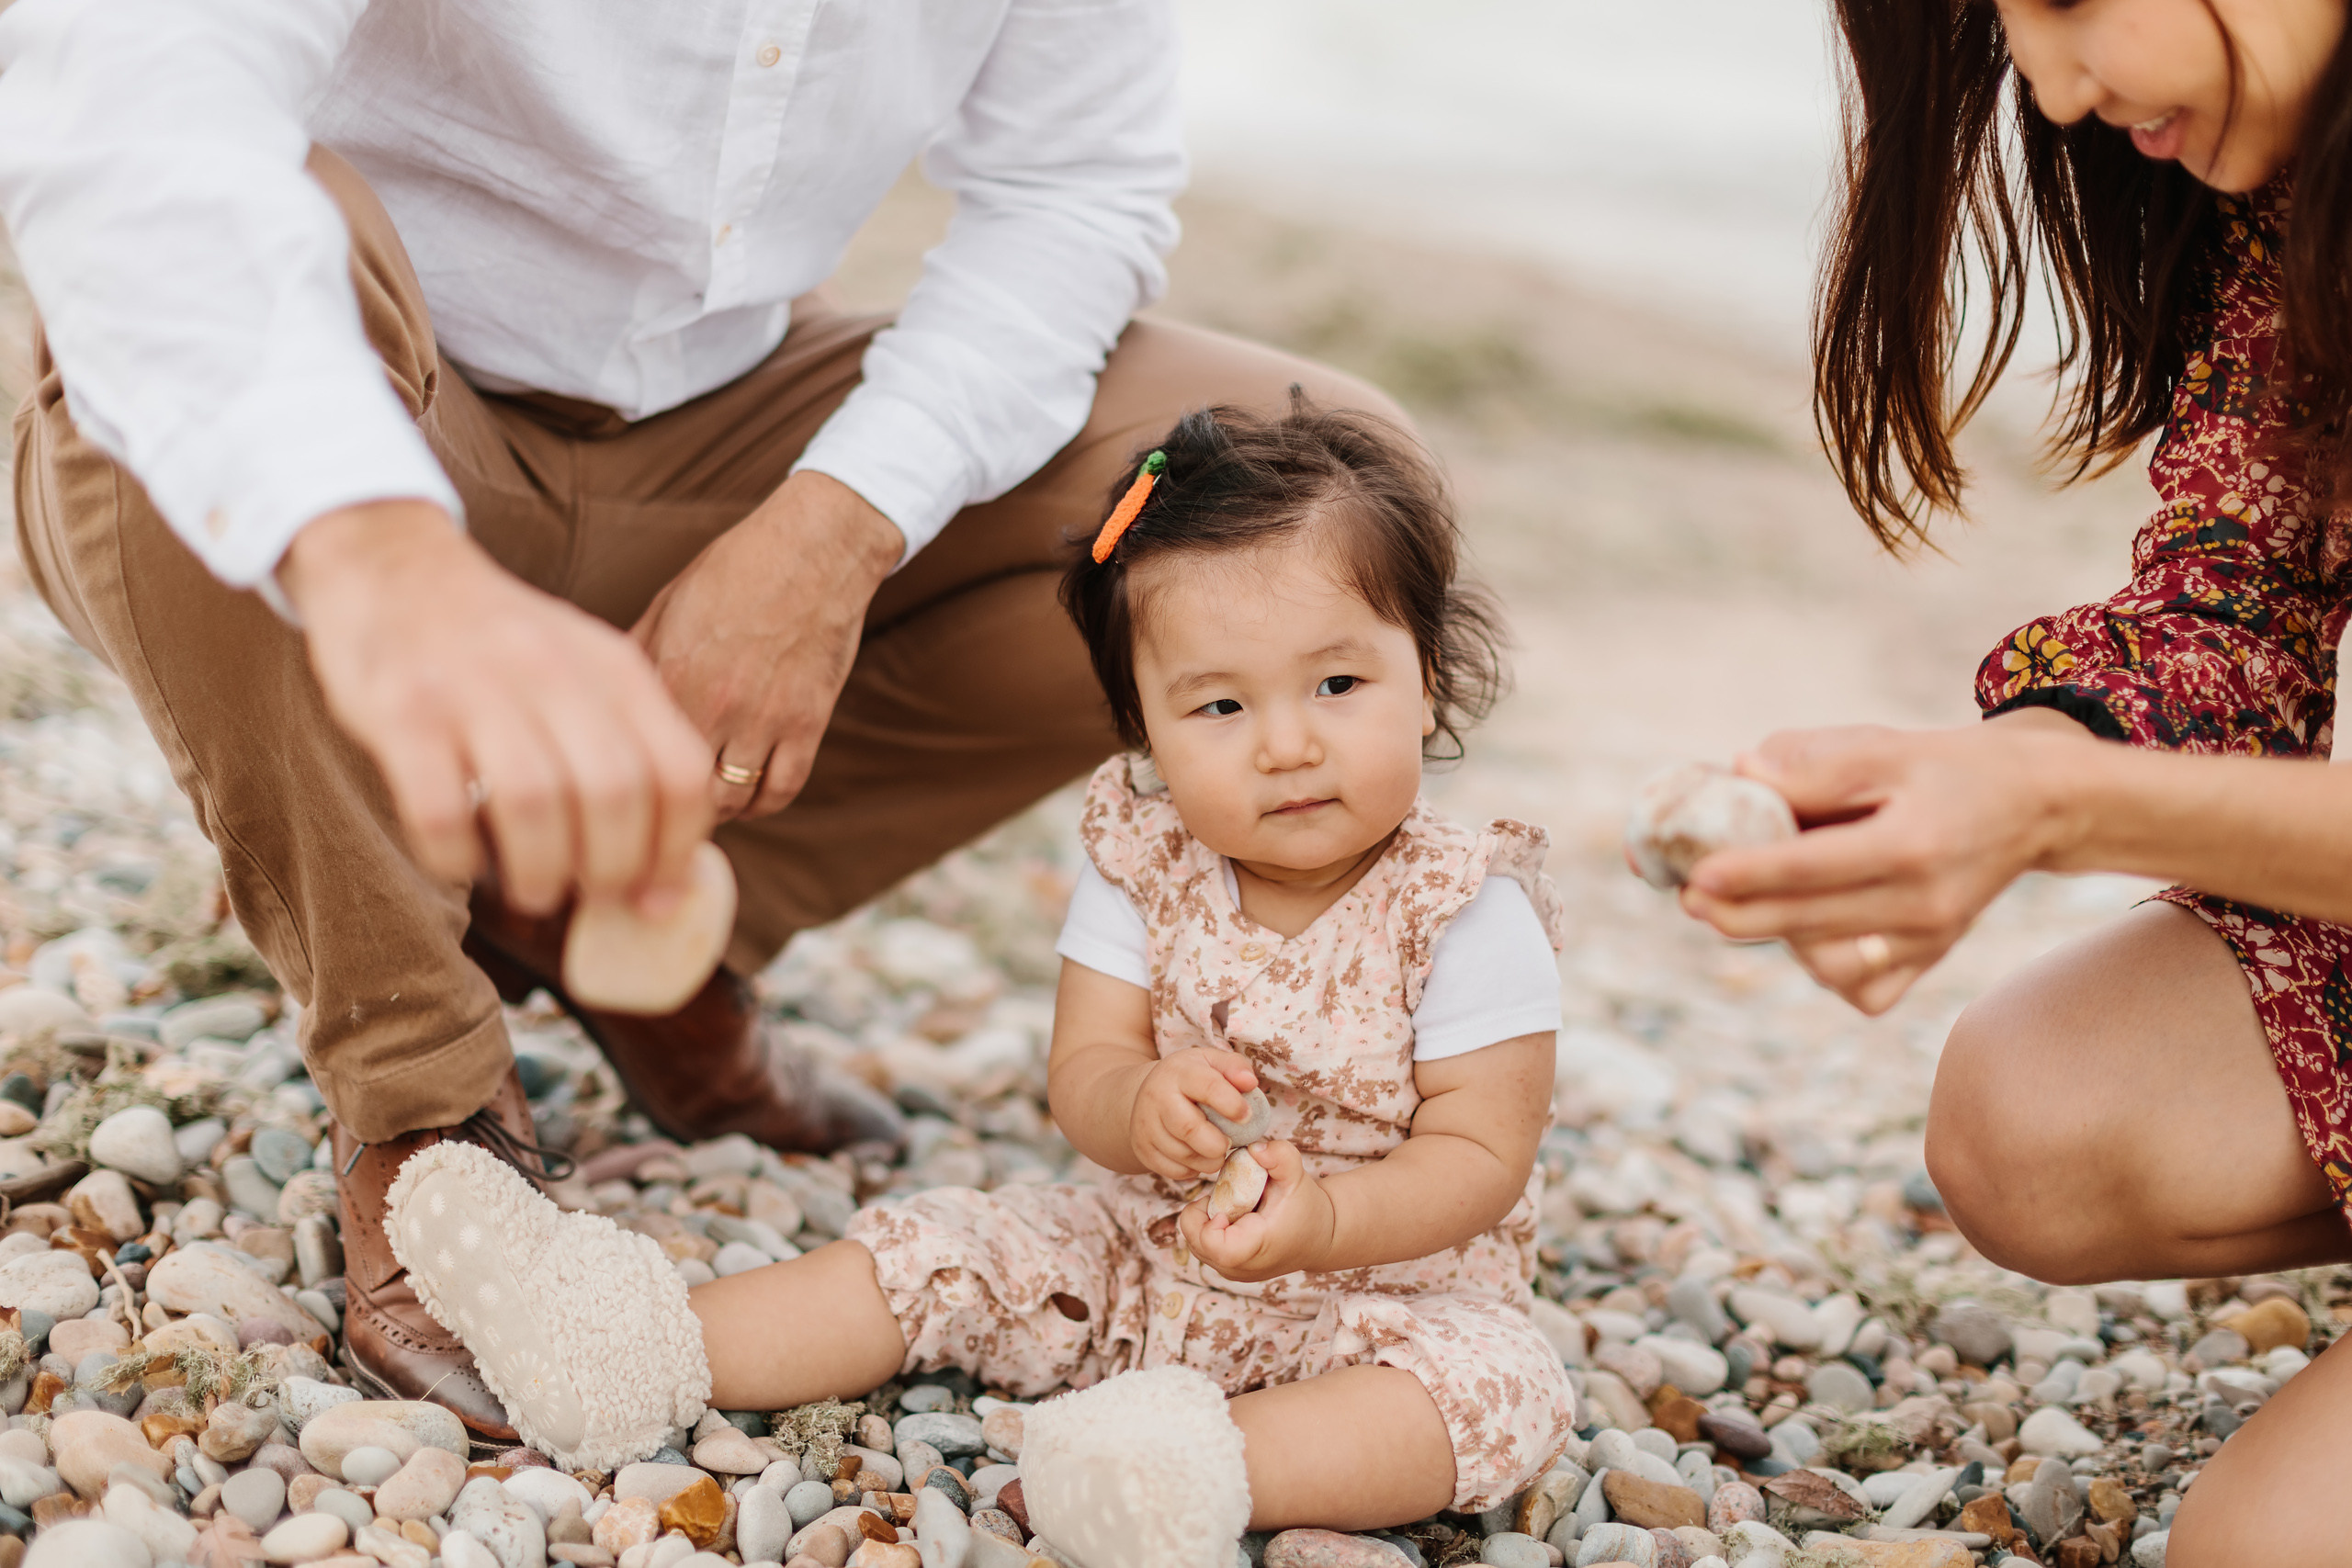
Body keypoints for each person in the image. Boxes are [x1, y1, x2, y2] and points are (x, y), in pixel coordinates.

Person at [0, 1, 1397, 1443]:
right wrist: (377, 552)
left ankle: (635, 913)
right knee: (192, 304)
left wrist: (838, 527)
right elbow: (131, 99)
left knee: (1308, 483)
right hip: (371, 399)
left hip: (717, 432)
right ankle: (422, 1095)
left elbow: (1076, 192)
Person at [372, 401, 1576, 1566]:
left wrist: (1325, 1224)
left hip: (1391, 1289)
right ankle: (635, 1343)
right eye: (1219, 704)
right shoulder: (1142, 869)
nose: (1288, 743)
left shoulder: (1464, 910)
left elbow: (1480, 1157)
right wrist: (1138, 1105)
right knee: (949, 1252)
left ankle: (1184, 1470)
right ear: (1143, 732)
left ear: (1427, 675)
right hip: (1142, 1251)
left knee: (1494, 1394)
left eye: (1338, 686)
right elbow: (1088, 1068)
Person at [1674, 0, 2350, 1560]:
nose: (2045, 89)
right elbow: (2233, 604)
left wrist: (2057, 812)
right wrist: (1979, 783)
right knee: (2031, 1115)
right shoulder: (2306, 199)